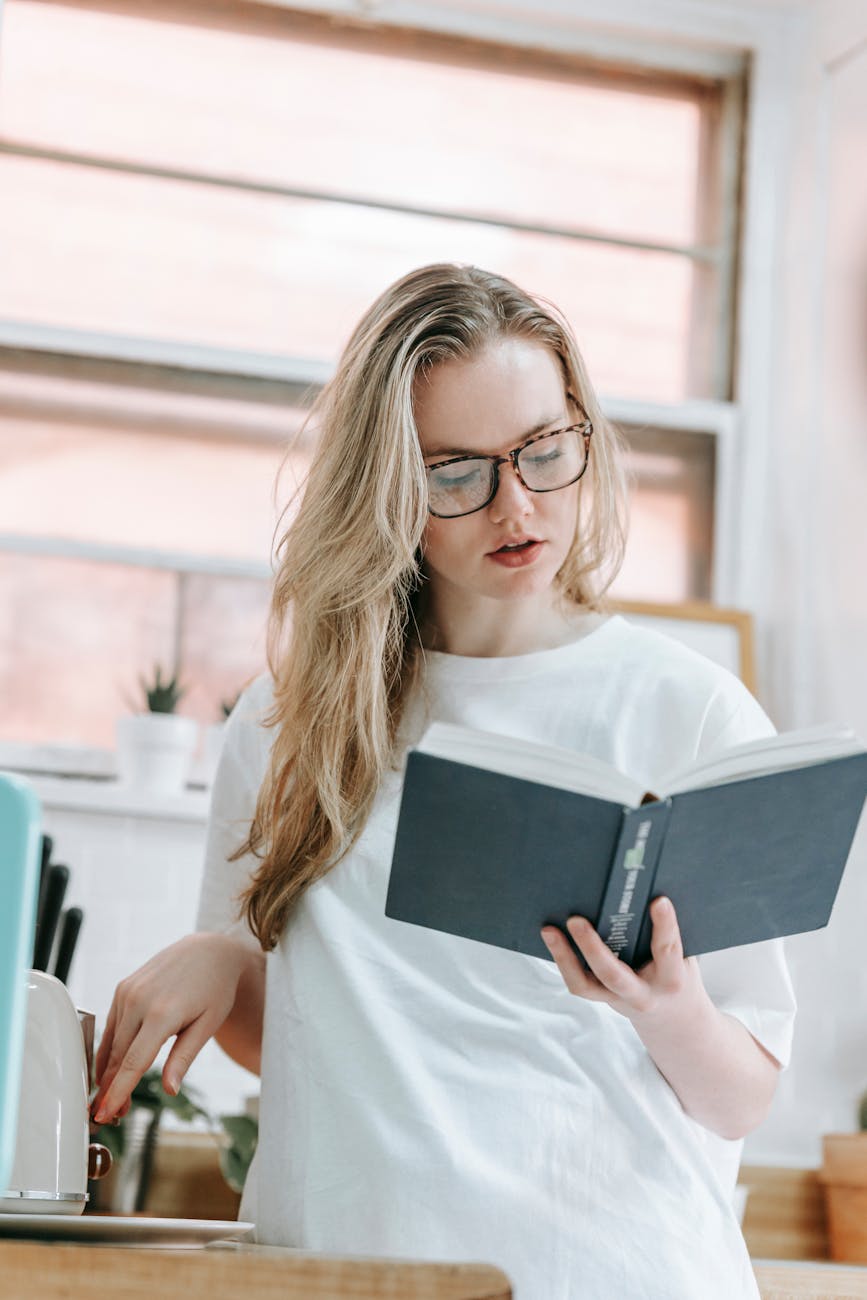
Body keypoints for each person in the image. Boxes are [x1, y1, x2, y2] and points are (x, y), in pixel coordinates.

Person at [93, 263, 796, 1299]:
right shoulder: (287, 720)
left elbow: (740, 1097)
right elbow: (294, 1040)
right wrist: (221, 959)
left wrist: (667, 1004)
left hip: (613, 1270)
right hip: (348, 1270)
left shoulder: (688, 711)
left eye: (545, 451)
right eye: (456, 472)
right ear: (385, 488)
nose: (517, 505)